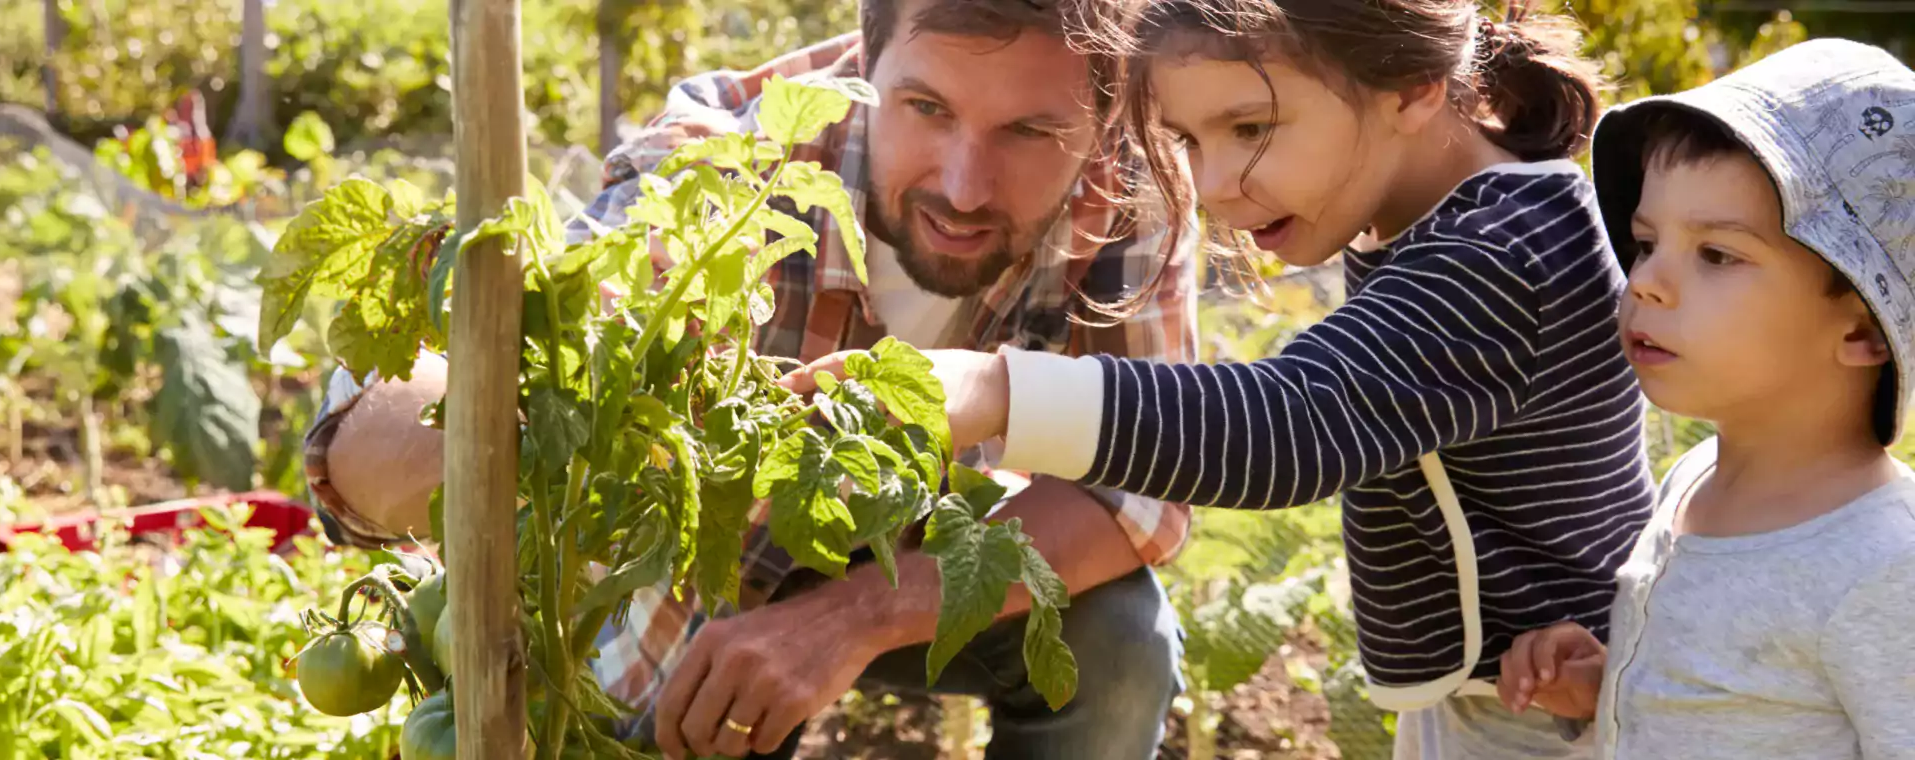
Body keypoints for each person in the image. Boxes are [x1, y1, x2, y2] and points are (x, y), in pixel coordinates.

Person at [300, 1, 1205, 757]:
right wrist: (530, 425)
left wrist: (852, 619)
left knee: (1118, 642)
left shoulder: (1135, 189)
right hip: (706, 579)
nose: (965, 187)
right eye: (926, 108)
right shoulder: (735, 153)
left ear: (1106, 110)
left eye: (1031, 131)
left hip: (916, 545)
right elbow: (383, 425)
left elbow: (1142, 490)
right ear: (867, 52)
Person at [791, 0, 1658, 756]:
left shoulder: (1503, 256)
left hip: (1573, 712)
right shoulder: (1440, 220)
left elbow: (1289, 425)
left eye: (1250, 129)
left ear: (1412, 85)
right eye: (1185, 139)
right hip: (1529, 689)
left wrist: (998, 392)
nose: (1211, 187)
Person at [1489, 38, 1915, 759]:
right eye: (1647, 241)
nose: (1646, 281)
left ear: (1864, 329)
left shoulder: (1883, 570)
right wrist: (1611, 688)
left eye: (1717, 254)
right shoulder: (1694, 481)